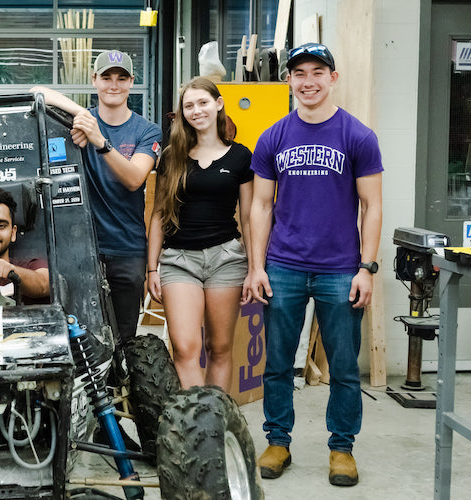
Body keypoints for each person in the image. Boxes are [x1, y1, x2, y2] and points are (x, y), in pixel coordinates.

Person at [245, 42, 383, 487]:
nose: (308, 82)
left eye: (317, 72)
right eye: (299, 73)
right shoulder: (273, 137)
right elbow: (260, 206)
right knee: (277, 362)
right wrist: (257, 266)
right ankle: (277, 441)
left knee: (343, 366)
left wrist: (366, 268)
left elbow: (372, 206)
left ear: (332, 78)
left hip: (340, 269)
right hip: (283, 266)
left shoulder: (358, 136)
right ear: (289, 80)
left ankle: (342, 448)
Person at [31, 50, 161, 347]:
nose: (113, 85)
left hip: (127, 249)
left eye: (121, 78)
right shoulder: (80, 122)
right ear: (94, 80)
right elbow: (37, 91)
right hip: (78, 249)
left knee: (124, 340)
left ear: (131, 82)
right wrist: (85, 118)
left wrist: (99, 140)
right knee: (79, 337)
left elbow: (134, 179)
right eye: (106, 77)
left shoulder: (147, 130)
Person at [145, 77, 253, 391]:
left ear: (218, 104)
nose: (197, 111)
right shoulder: (172, 156)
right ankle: (196, 419)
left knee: (219, 348)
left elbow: (249, 217)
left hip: (226, 259)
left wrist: (254, 267)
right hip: (179, 261)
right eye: (189, 106)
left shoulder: (240, 156)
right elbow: (159, 214)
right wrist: (152, 268)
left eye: (203, 103)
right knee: (184, 348)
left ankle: (216, 416)